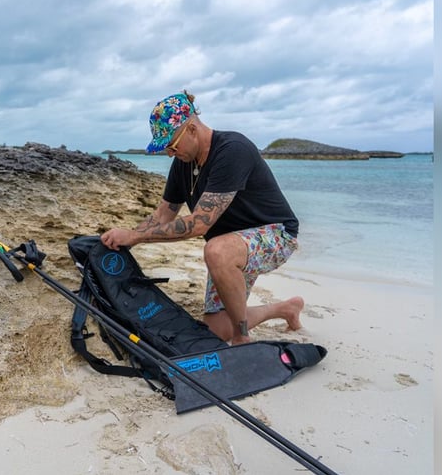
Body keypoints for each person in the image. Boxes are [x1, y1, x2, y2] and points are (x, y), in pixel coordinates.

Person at [101, 91, 304, 345]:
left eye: (172, 145)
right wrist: (128, 240)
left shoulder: (233, 150)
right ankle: (284, 309)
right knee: (217, 330)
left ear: (192, 129)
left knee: (216, 250)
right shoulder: (183, 164)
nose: (169, 153)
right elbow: (164, 213)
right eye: (166, 148)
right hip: (230, 245)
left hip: (275, 235)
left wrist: (136, 236)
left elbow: (199, 224)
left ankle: (243, 337)